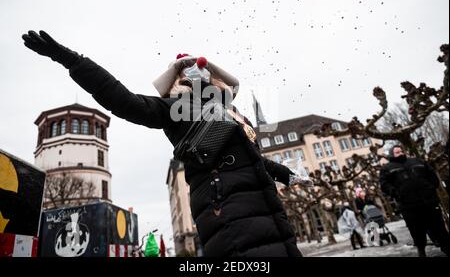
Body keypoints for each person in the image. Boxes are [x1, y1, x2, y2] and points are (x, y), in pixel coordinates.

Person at [21, 30, 303, 257]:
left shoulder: (233, 112)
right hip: (231, 217)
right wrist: (73, 60)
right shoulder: (176, 109)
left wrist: (285, 174)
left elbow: (252, 160)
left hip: (269, 212)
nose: (195, 75)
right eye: (186, 73)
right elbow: (124, 100)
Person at [380, 144, 449, 257]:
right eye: (397, 152)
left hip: (429, 202)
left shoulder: (417, 161)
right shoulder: (387, 168)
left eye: (401, 151)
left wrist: (431, 186)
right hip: (408, 206)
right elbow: (384, 184)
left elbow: (431, 173)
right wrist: (396, 193)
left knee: (438, 226)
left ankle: (445, 246)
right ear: (392, 154)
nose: (400, 153)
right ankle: (421, 250)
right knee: (416, 229)